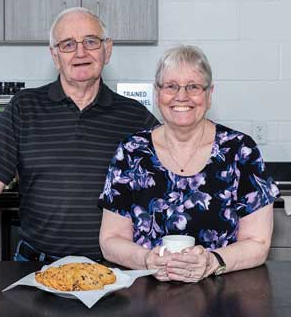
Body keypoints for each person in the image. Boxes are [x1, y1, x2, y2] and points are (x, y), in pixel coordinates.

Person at [0, 7, 158, 270]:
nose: (80, 53)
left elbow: (177, 161)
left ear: (108, 49)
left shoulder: (134, 116)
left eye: (91, 41)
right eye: (68, 44)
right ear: (55, 56)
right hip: (36, 268)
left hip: (111, 271)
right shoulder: (24, 107)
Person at [98, 45, 279, 283]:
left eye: (193, 86)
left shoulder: (240, 151)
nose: (181, 96)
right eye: (171, 86)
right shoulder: (131, 152)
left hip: (223, 295)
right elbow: (110, 239)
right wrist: (146, 260)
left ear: (209, 93)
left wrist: (212, 261)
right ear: (157, 92)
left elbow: (258, 243)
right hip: (144, 295)